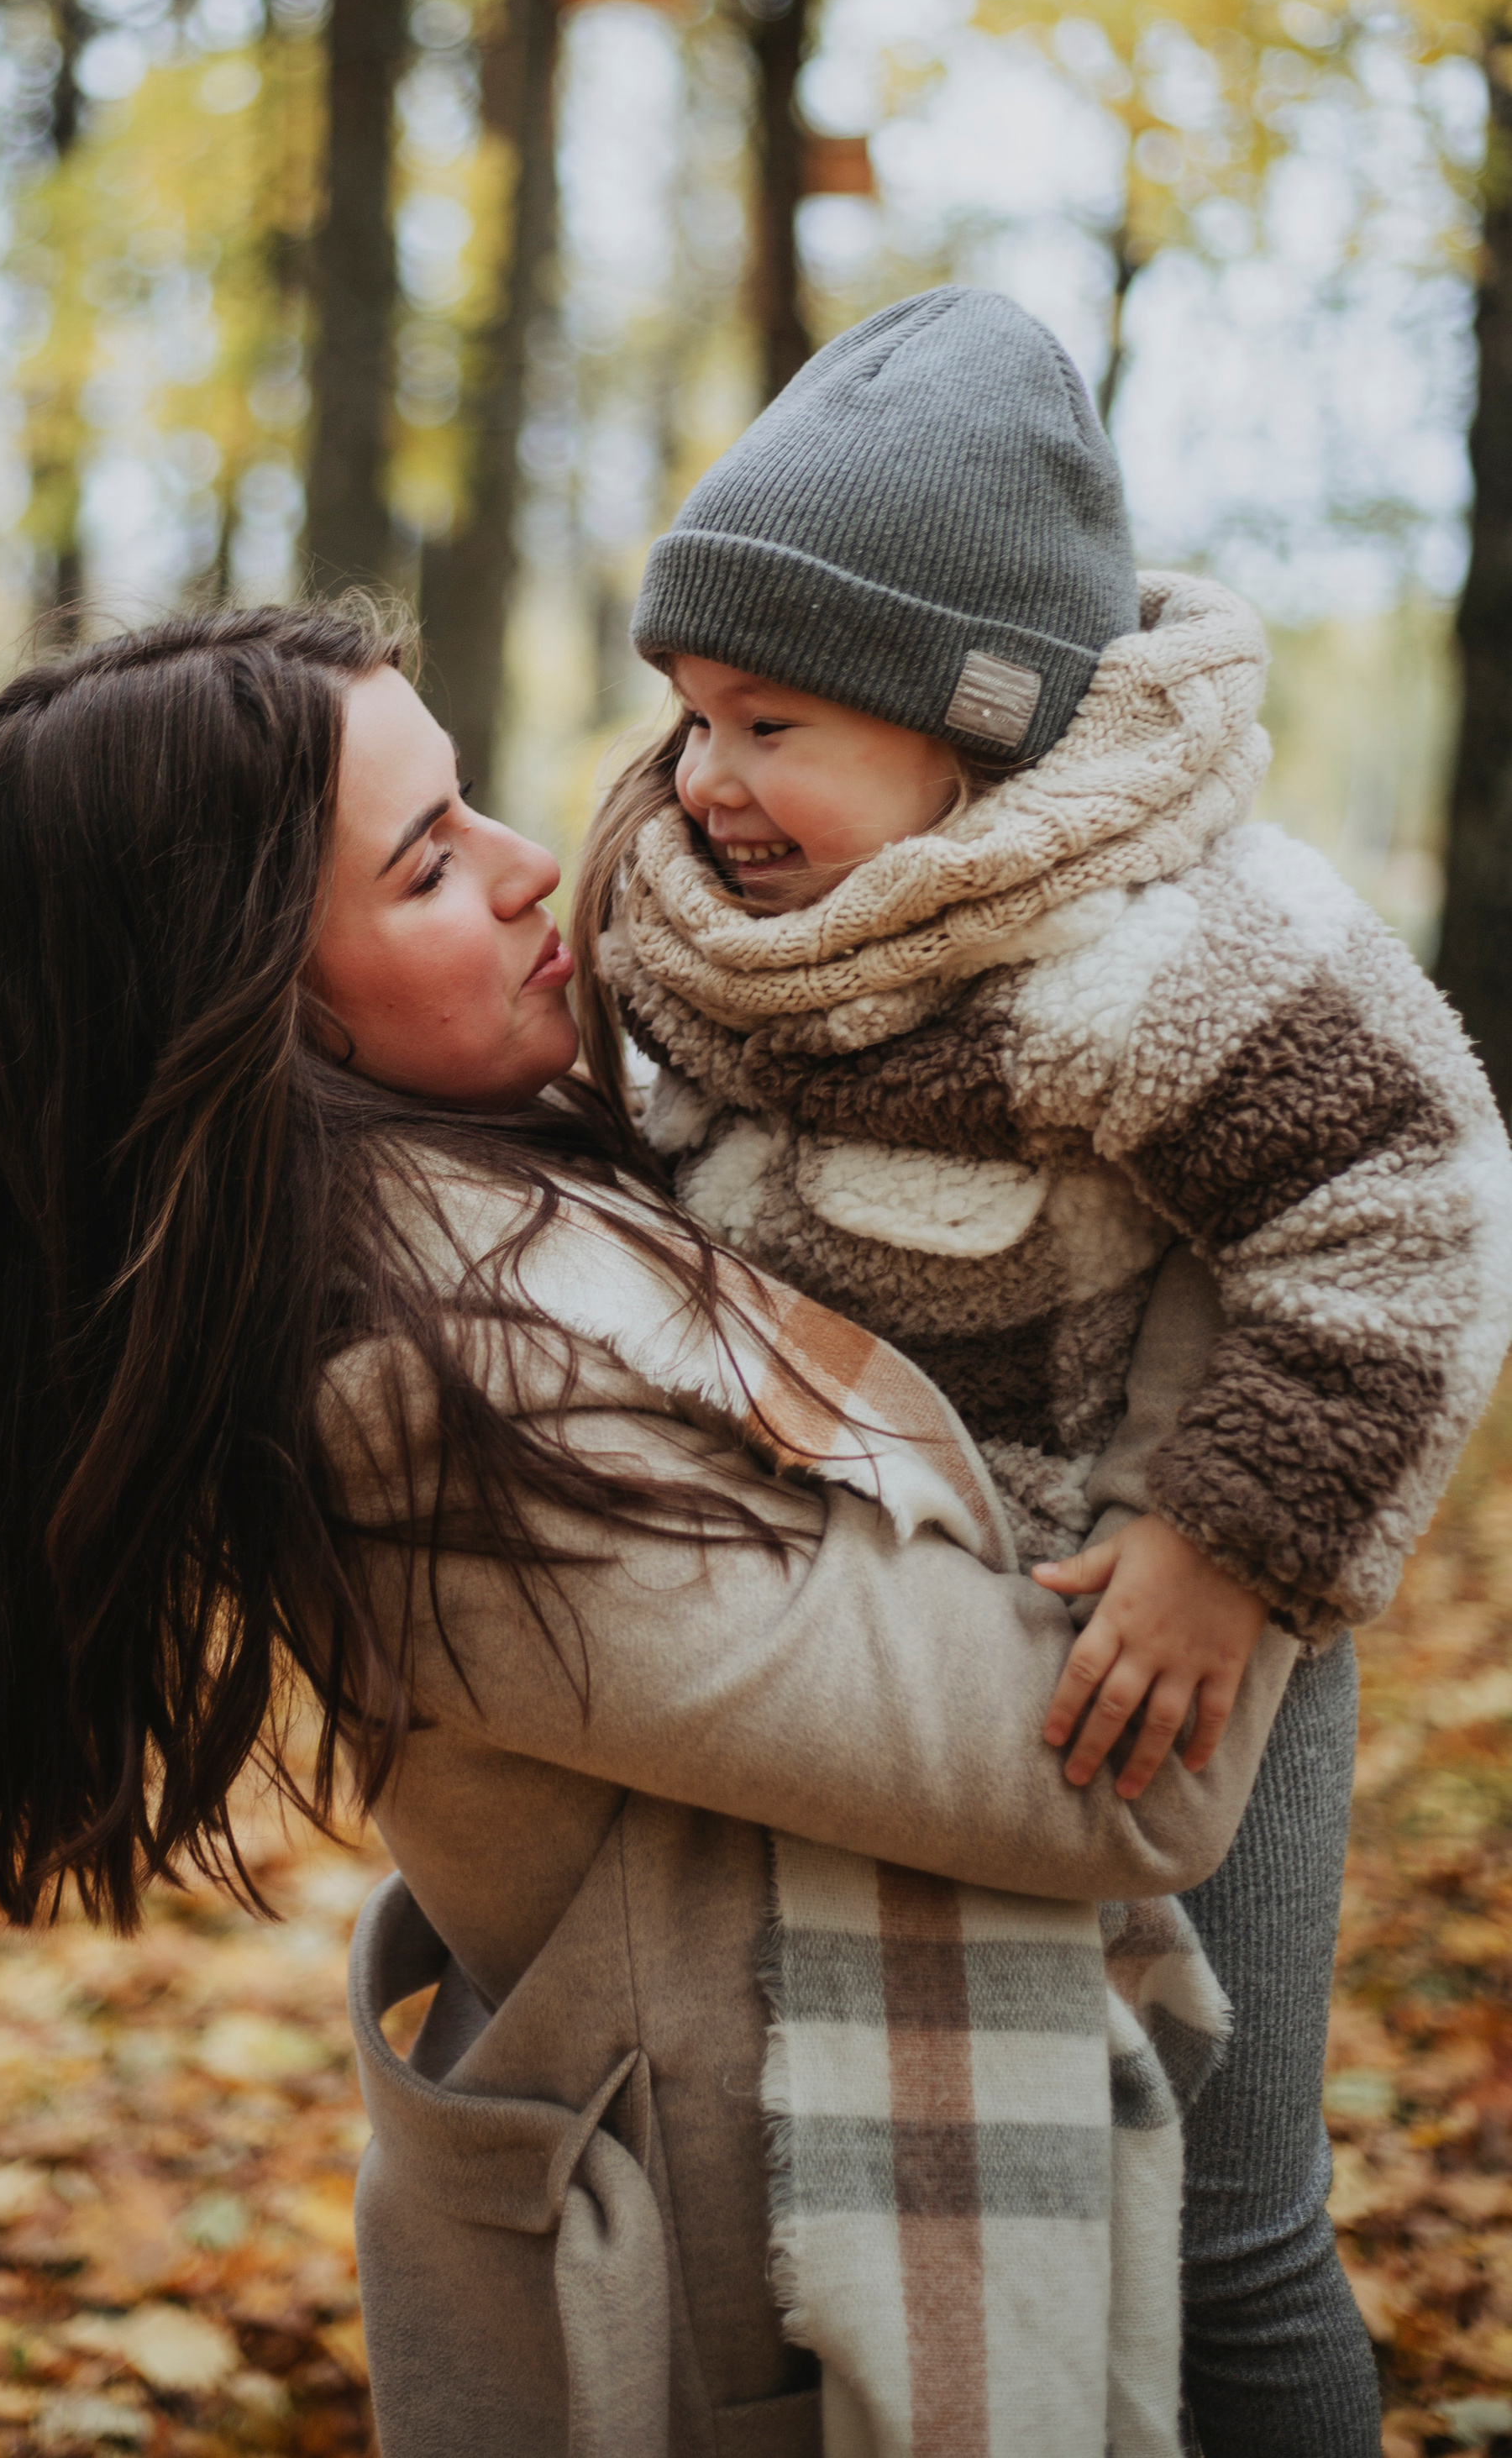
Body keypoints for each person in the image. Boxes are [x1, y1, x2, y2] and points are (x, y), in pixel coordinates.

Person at [0, 598, 1294, 2458]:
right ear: (252, 1005)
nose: (533, 865)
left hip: (824, 2190)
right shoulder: (436, 1423)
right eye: (428, 865)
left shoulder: (545, 1199)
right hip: (777, 2317)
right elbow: (1110, 1785)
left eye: (468, 803)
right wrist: (1254, 1337)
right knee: (1268, 2286)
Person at [575, 283, 1512, 2458]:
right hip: (887, 1676)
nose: (702, 780)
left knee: (1222, 2215)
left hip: (1173, 1651)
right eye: (688, 717)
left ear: (972, 725)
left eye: (770, 725)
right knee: (917, 2204)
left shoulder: (1159, 951)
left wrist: (1229, 1544)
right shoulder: (697, 941)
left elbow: (1406, 1194)